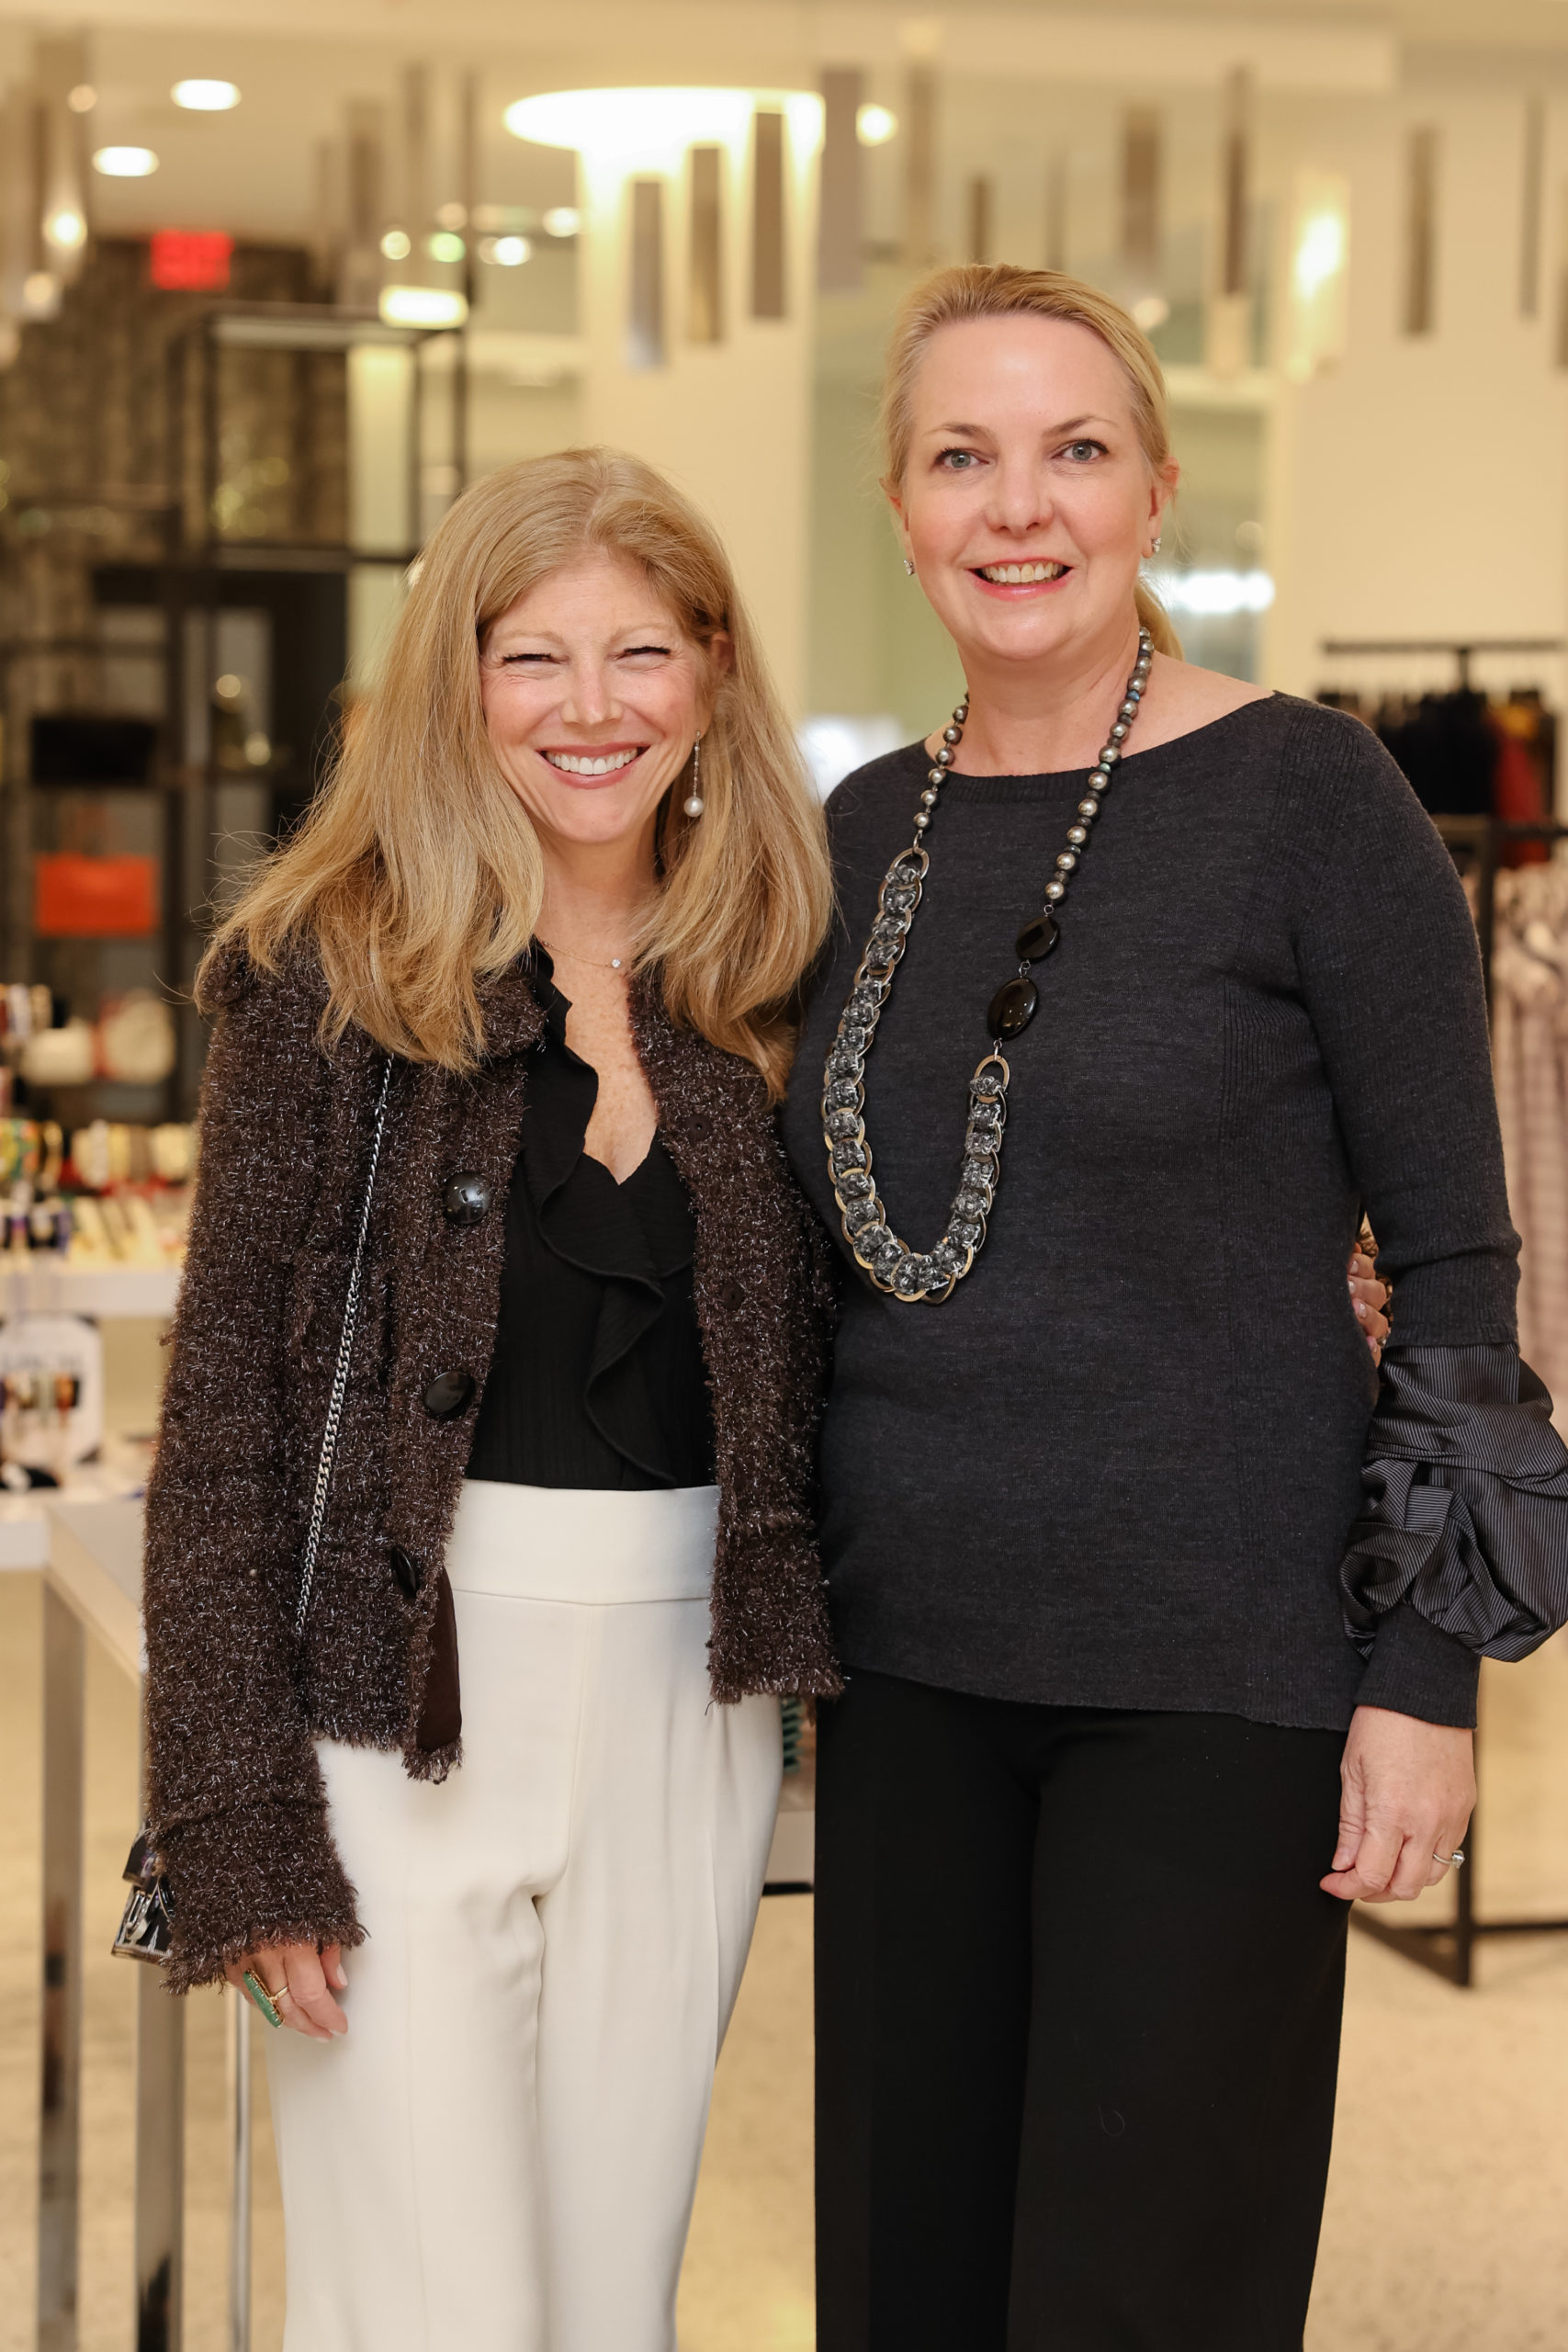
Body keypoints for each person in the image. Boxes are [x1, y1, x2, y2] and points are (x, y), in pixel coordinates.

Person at [781, 265, 1568, 2351]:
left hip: (1216, 1681)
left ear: (1152, 489)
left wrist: (1425, 1673)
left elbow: (1457, 1262)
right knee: (906, 2285)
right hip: (903, 1669)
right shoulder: (859, 831)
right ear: (900, 505)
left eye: (1073, 450)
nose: (1016, 505)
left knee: (1141, 2297)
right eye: (961, 456)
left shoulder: (1311, 796)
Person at [141, 448, 843, 2352]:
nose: (590, 707)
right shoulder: (321, 972)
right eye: (532, 656)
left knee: (612, 2307)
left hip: (692, 1718)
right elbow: (222, 1429)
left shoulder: (781, 977)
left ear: (713, 668)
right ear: (455, 680)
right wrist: (236, 1812)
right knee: (426, 2309)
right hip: (393, 1714)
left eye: (640, 651)